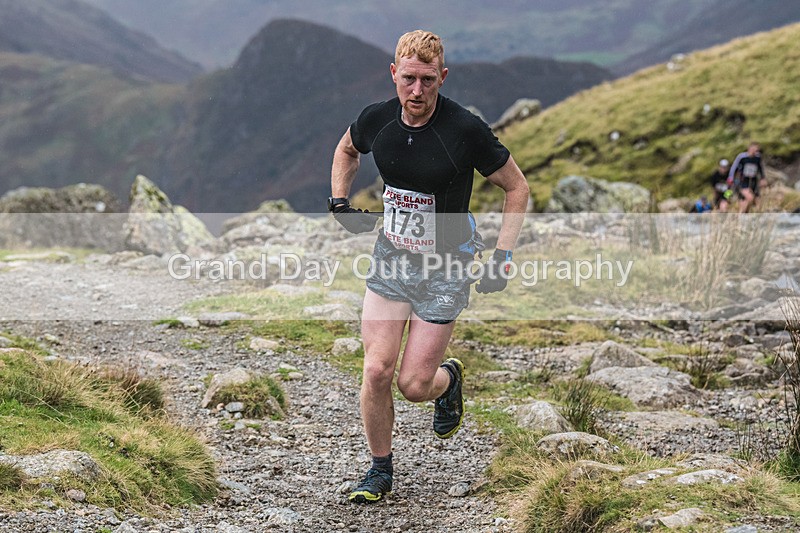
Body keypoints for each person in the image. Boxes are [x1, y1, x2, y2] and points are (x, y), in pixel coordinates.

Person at [328, 30, 529, 503]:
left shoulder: (465, 129)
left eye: (428, 81)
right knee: (376, 371)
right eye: (409, 80)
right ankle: (379, 470)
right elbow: (346, 150)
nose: (417, 92)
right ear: (394, 74)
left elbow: (516, 188)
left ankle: (448, 380)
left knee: (414, 385)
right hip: (392, 258)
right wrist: (339, 202)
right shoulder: (378, 118)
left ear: (443, 77)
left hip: (448, 263)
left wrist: (503, 257)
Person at [728, 142, 765, 213]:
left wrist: (763, 178)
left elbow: (760, 168)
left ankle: (746, 213)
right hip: (743, 182)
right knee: (749, 198)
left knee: (756, 202)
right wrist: (731, 178)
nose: (755, 152)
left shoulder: (758, 157)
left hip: (754, 181)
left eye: (757, 150)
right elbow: (734, 168)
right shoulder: (742, 157)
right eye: (754, 149)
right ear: (749, 148)